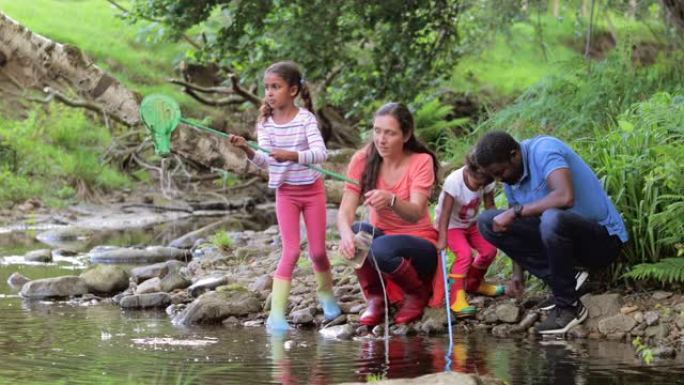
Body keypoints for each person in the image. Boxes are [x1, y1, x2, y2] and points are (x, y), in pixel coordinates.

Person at [474, 131, 627, 334]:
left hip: (602, 241)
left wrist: (515, 211)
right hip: (564, 241)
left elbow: (565, 197)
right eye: (494, 176)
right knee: (487, 221)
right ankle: (565, 279)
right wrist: (517, 274)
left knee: (552, 217)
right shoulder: (512, 179)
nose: (499, 180)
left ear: (514, 155)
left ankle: (569, 307)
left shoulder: (544, 150)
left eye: (500, 173)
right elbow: (513, 225)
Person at [230, 61, 340, 331]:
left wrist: (293, 155)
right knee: (290, 251)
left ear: (292, 91)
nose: (269, 92)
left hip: (312, 192)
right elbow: (265, 162)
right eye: (267, 88)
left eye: (275, 87)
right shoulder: (265, 123)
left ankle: (326, 296)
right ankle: (276, 315)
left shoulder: (305, 119)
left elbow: (321, 153)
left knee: (316, 252)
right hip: (285, 194)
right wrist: (247, 149)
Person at [337, 102, 439, 326]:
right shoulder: (362, 160)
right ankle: (376, 299)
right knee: (357, 232)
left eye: (390, 133)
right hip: (382, 241)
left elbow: (415, 213)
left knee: (379, 247)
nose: (381, 139)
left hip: (420, 244)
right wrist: (345, 235)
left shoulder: (421, 161)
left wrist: (391, 200)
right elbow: (346, 209)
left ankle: (417, 294)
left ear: (406, 135)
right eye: (377, 131)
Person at [434, 151, 503, 318]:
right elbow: (444, 213)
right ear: (469, 170)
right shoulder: (454, 182)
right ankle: (456, 298)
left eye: (484, 183)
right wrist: (442, 239)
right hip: (451, 225)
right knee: (464, 255)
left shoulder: (486, 178)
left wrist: (498, 222)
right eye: (478, 183)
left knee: (489, 251)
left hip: (472, 223)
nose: (481, 186)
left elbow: (489, 205)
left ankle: (474, 283)